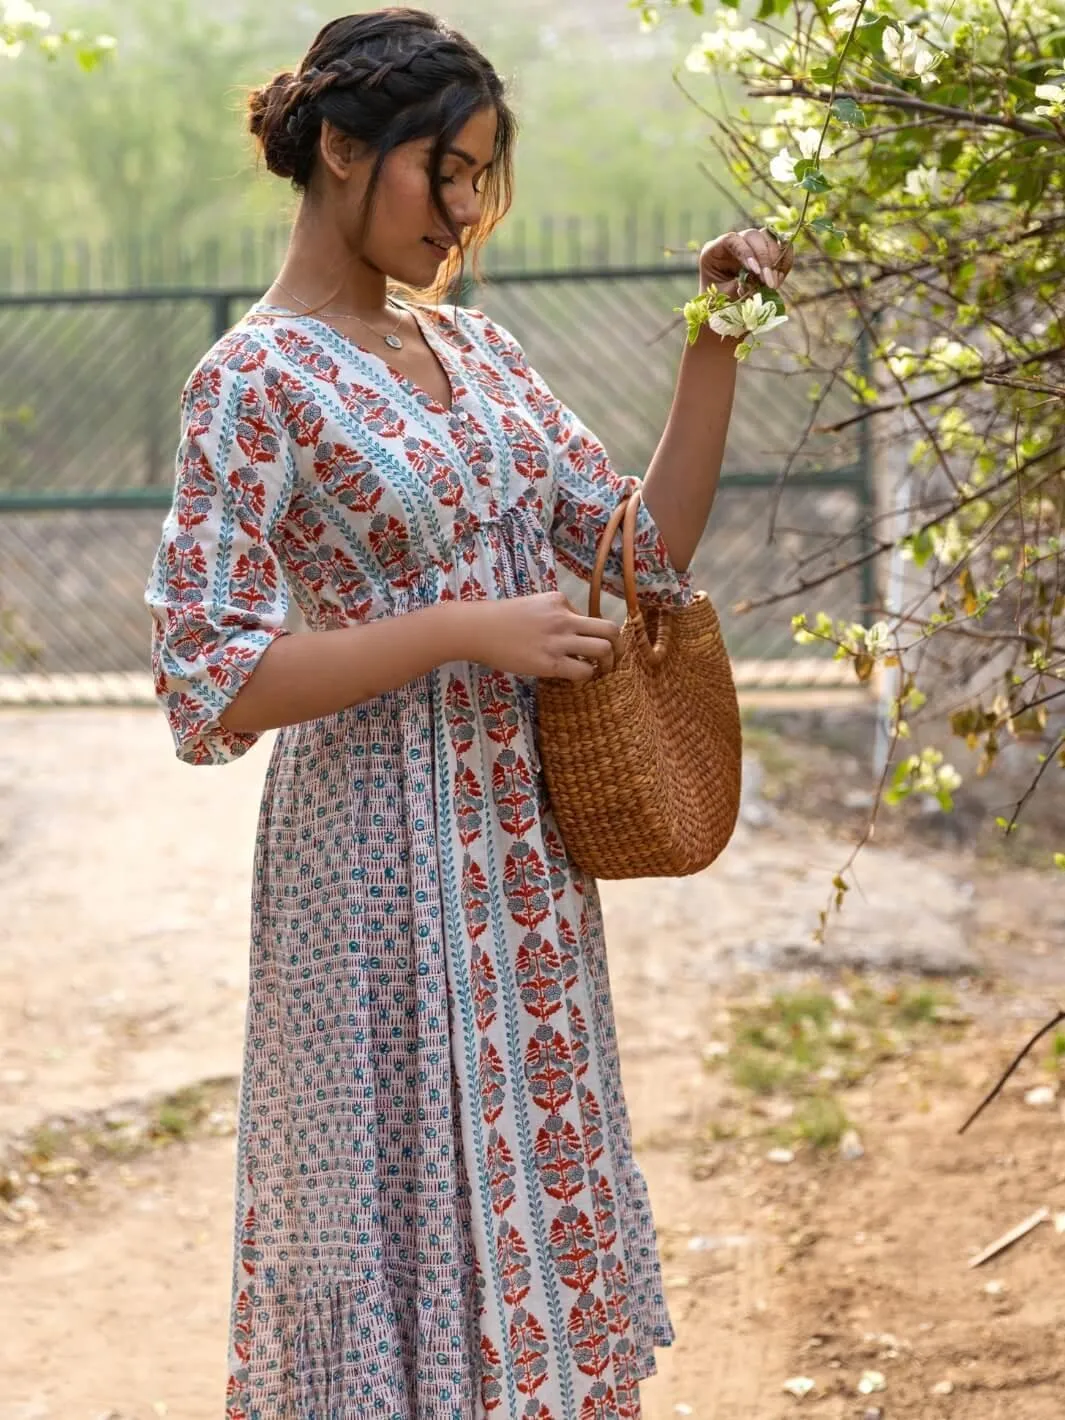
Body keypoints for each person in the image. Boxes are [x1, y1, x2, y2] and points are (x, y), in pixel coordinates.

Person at [145, 9, 792, 1419]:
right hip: (368, 874)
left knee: (526, 1201)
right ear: (339, 148)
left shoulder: (478, 358)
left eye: (479, 178)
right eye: (444, 170)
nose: (462, 211)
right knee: (397, 1217)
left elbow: (642, 558)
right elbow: (210, 676)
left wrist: (715, 343)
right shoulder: (250, 383)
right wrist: (455, 632)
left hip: (525, 867)